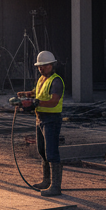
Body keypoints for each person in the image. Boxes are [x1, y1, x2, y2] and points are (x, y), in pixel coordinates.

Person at [20, 50, 65, 197]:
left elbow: (53, 101)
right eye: (39, 66)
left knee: (52, 152)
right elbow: (37, 92)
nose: (41, 68)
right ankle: (46, 181)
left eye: (44, 66)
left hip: (51, 119)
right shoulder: (41, 79)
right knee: (42, 150)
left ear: (51, 65)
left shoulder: (56, 81)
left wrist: (36, 102)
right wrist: (28, 94)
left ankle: (55, 186)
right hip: (40, 118)